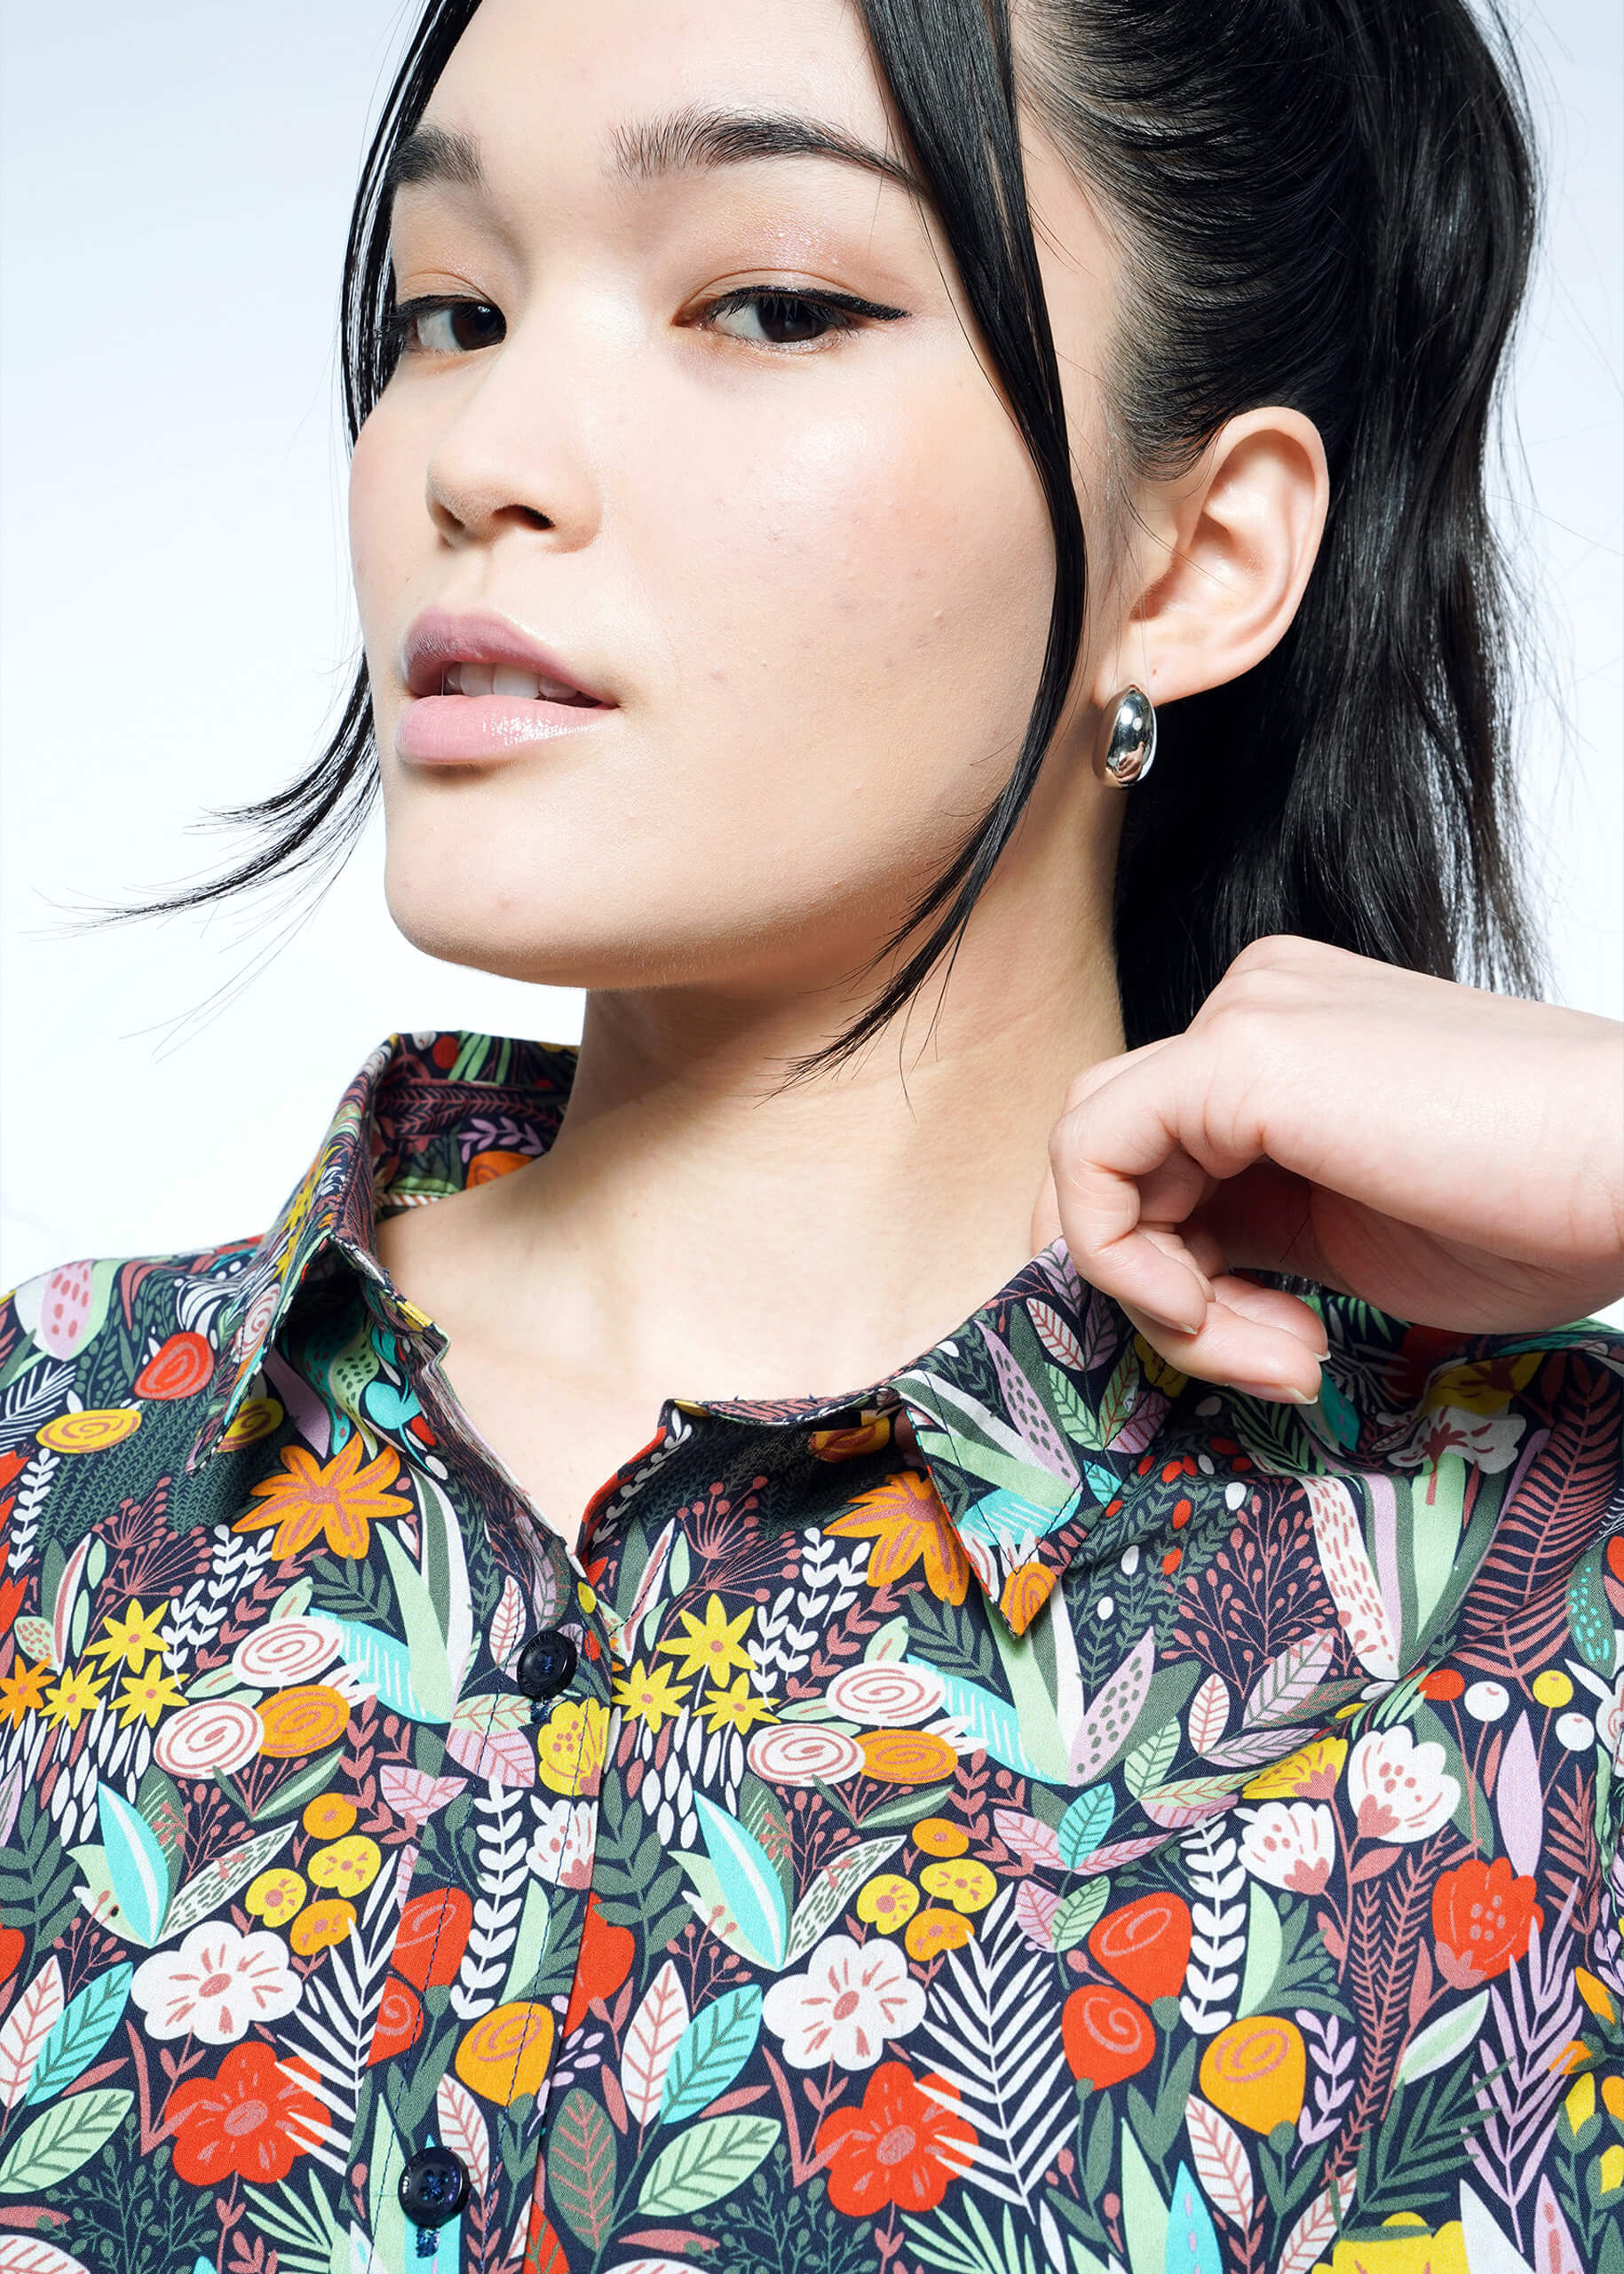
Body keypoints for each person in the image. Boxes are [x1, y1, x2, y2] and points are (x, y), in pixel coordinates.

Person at [1, 0, 1620, 2266]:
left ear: (1196, 560)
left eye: (771, 300)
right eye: (448, 309)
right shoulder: (39, 1467)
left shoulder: (1545, 1609)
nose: (487, 450)